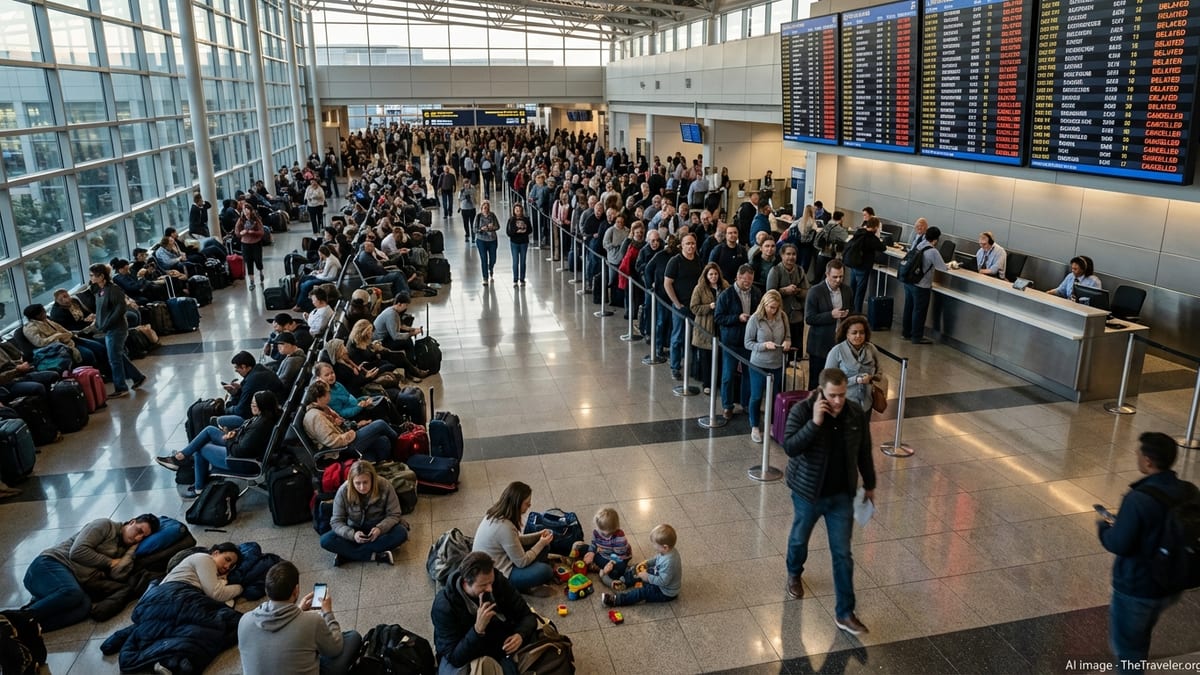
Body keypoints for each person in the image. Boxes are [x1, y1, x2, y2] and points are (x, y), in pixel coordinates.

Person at [782, 368, 875, 635]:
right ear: (821, 391)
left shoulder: (855, 413)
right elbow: (790, 446)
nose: (837, 401)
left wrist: (870, 484)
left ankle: (845, 612)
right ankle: (794, 572)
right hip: (807, 493)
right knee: (799, 538)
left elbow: (864, 451)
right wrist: (815, 423)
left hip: (841, 495)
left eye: (842, 395)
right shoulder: (802, 410)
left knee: (843, 554)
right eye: (833, 395)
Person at [1099, 432, 1196, 674]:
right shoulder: (1189, 491)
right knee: (1141, 632)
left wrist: (1104, 528)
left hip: (1136, 586)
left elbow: (1119, 544)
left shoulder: (1139, 499)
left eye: (1139, 454)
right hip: (1171, 582)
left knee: (1127, 648)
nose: (1137, 457)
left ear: (1148, 461)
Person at [23, 514, 161, 631]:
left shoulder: (125, 548)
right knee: (73, 592)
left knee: (84, 608)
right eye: (138, 531)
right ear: (132, 522)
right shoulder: (105, 525)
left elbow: (117, 574)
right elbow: (77, 551)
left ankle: (28, 629)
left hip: (67, 580)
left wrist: (132, 550)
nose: (138, 538)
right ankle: (17, 618)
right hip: (50, 564)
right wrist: (109, 562)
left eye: (143, 538)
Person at [239, 561, 362, 675]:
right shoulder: (312, 622)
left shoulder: (245, 620)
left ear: (267, 591)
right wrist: (328, 613)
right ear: (296, 591)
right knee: (352, 637)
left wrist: (298, 610)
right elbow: (335, 649)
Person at [156, 390, 281, 497]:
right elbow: (248, 436)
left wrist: (230, 439)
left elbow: (240, 450)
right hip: (241, 447)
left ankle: (194, 480)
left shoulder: (260, 426)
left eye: (254, 404)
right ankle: (182, 456)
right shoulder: (266, 417)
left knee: (201, 448)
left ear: (263, 406)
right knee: (209, 430)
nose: (251, 406)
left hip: (240, 461)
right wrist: (234, 433)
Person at [431, 551, 538, 675]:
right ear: (466, 582)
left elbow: (527, 615)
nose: (490, 589)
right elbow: (454, 657)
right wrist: (477, 630)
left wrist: (520, 635)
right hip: (468, 653)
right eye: (483, 585)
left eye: (490, 583)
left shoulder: (496, 580)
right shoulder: (444, 607)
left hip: (500, 646)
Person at [472, 481, 556, 593]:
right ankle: (519, 585)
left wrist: (538, 536)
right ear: (517, 503)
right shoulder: (504, 527)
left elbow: (515, 541)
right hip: (500, 574)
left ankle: (531, 573)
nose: (529, 506)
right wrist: (541, 543)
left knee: (544, 547)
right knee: (546, 571)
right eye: (527, 503)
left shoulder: (495, 514)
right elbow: (522, 562)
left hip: (501, 560)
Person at [320, 460, 408, 566]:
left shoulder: (385, 486)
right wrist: (352, 534)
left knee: (401, 533)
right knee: (325, 540)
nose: (362, 487)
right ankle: (375, 556)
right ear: (352, 481)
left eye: (365, 482)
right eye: (357, 483)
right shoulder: (343, 490)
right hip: (354, 528)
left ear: (372, 479)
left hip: (378, 528)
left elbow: (394, 514)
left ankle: (349, 555)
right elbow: (336, 521)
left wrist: (380, 529)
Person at [302, 380, 398, 461]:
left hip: (346, 438)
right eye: (328, 392)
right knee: (379, 424)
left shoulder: (323, 408)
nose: (330, 394)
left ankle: (386, 463)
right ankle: (401, 440)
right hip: (342, 448)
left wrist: (356, 425)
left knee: (383, 441)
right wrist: (352, 433)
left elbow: (341, 424)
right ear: (320, 397)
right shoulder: (315, 416)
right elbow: (332, 441)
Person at [89, 264, 146, 398]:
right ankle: (137, 377)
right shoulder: (100, 290)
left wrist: (106, 324)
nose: (90, 278)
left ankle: (121, 387)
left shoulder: (113, 290)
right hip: (108, 328)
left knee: (114, 359)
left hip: (116, 328)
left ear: (101, 276)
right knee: (118, 355)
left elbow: (119, 310)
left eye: (92, 275)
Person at [745, 289, 791, 443]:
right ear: (764, 305)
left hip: (777, 364)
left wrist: (787, 343)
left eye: (776, 307)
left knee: (774, 396)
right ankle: (755, 426)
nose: (773, 310)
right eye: (771, 307)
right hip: (758, 364)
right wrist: (764, 345)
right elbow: (748, 343)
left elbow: (788, 336)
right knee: (757, 395)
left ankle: (772, 425)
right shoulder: (755, 319)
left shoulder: (782, 317)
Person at [715, 264, 760, 420]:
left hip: (749, 342)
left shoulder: (756, 293)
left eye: (750, 281)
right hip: (731, 342)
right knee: (728, 375)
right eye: (745, 281)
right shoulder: (726, 295)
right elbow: (718, 317)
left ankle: (746, 403)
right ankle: (727, 406)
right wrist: (737, 318)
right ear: (738, 277)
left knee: (749, 374)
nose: (748, 284)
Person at [600, 524, 681, 607]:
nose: (653, 546)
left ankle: (615, 600)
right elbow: (656, 560)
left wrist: (648, 577)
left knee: (642, 592)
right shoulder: (666, 551)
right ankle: (623, 582)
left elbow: (663, 582)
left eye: (655, 544)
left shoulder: (670, 562)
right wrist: (647, 563)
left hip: (664, 592)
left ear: (665, 547)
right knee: (637, 569)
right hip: (658, 576)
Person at [21, 302, 108, 375]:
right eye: (43, 311)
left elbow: (63, 330)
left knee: (99, 347)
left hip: (71, 339)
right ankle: (96, 376)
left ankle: (107, 372)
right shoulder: (30, 328)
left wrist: (71, 333)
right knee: (88, 354)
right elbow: (40, 343)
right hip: (61, 347)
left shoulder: (47, 321)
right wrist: (58, 335)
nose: (45, 312)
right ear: (37, 315)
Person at [804, 260, 853, 390]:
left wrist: (848, 315)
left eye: (841, 276)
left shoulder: (847, 290)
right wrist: (831, 315)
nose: (838, 280)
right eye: (835, 277)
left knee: (836, 382)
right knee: (817, 382)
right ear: (827, 274)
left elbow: (852, 311)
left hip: (840, 343)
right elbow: (809, 318)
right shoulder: (815, 291)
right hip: (820, 345)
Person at [664, 232, 704, 381]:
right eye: (688, 243)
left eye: (693, 243)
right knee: (678, 337)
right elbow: (667, 283)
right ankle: (675, 366)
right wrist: (676, 303)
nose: (691, 246)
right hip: (681, 307)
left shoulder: (699, 261)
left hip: (695, 307)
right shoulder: (675, 261)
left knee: (695, 338)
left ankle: (693, 367)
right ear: (682, 245)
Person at [901, 225, 949, 344]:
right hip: (921, 286)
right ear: (936, 239)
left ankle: (906, 333)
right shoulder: (933, 251)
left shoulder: (919, 245)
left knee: (909, 307)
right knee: (919, 311)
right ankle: (916, 337)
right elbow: (942, 268)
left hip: (909, 282)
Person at [825, 315, 881, 415]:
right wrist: (855, 380)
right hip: (844, 404)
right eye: (854, 333)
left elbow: (879, 372)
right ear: (847, 334)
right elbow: (828, 379)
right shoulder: (837, 351)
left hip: (866, 403)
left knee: (864, 430)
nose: (858, 336)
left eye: (862, 332)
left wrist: (872, 378)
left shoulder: (871, 349)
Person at [218, 350, 284, 428]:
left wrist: (225, 409)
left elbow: (241, 411)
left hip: (262, 418)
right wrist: (237, 392)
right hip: (272, 409)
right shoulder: (259, 369)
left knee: (218, 420)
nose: (235, 370)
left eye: (236, 368)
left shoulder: (252, 381)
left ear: (244, 367)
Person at [690, 262, 728, 394]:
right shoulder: (699, 288)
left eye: (716, 274)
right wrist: (709, 307)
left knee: (719, 357)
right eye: (711, 274)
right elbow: (694, 307)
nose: (714, 276)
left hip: (721, 326)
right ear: (706, 275)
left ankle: (717, 382)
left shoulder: (725, 286)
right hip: (705, 326)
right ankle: (707, 383)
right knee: (706, 357)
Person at [162, 543, 242, 602]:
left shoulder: (212, 571)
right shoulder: (204, 558)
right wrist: (241, 588)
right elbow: (217, 594)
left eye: (231, 566)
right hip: (171, 593)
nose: (227, 567)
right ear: (216, 553)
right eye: (227, 559)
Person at [766, 243, 809, 353]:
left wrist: (798, 291)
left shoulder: (800, 270)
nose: (791, 257)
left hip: (797, 318)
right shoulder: (775, 271)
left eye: (794, 254)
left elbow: (807, 292)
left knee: (796, 350)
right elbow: (769, 294)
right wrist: (785, 291)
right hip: (780, 317)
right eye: (788, 254)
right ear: (782, 255)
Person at [578, 507, 633, 588]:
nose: (598, 531)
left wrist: (610, 563)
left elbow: (619, 556)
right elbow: (594, 543)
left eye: (602, 531)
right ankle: (599, 567)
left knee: (617, 571)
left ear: (613, 529)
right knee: (582, 548)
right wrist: (591, 552)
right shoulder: (597, 531)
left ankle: (599, 568)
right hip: (604, 553)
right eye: (598, 528)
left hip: (619, 558)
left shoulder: (619, 538)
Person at [843, 216, 887, 314]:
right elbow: (883, 248)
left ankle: (849, 310)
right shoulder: (871, 237)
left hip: (854, 264)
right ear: (876, 227)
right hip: (863, 267)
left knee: (853, 288)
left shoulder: (859, 233)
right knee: (860, 292)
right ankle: (857, 312)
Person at [235, 201, 267, 289]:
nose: (245, 211)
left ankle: (260, 272)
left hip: (256, 243)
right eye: (243, 209)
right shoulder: (241, 220)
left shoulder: (256, 220)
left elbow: (261, 232)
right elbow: (237, 232)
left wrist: (252, 232)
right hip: (245, 243)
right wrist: (241, 233)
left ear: (250, 210)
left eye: (246, 209)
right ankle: (252, 281)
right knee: (248, 262)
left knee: (258, 260)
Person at [474, 200, 501, 285]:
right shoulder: (478, 217)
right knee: (484, 259)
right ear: (481, 208)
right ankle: (485, 277)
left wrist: (491, 227)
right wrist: (481, 229)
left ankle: (491, 267)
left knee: (493, 258)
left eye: (487, 208)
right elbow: (474, 229)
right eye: (484, 208)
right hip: (481, 240)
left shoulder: (492, 215)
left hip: (492, 240)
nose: (486, 209)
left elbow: (498, 226)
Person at [506, 203, 532, 286]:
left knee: (523, 261)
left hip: (524, 242)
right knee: (515, 261)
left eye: (520, 210)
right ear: (514, 211)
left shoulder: (526, 219)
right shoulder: (511, 220)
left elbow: (530, 230)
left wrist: (524, 231)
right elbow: (509, 232)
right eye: (517, 210)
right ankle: (515, 279)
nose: (518, 212)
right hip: (514, 242)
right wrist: (517, 231)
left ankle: (522, 279)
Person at [459, 178, 477, 243]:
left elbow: (475, 196)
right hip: (464, 208)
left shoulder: (473, 189)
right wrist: (464, 196)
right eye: (465, 184)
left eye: (468, 183)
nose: (467, 185)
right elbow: (459, 198)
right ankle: (467, 234)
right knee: (465, 223)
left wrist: (471, 197)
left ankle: (473, 235)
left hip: (472, 208)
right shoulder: (461, 190)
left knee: (473, 223)